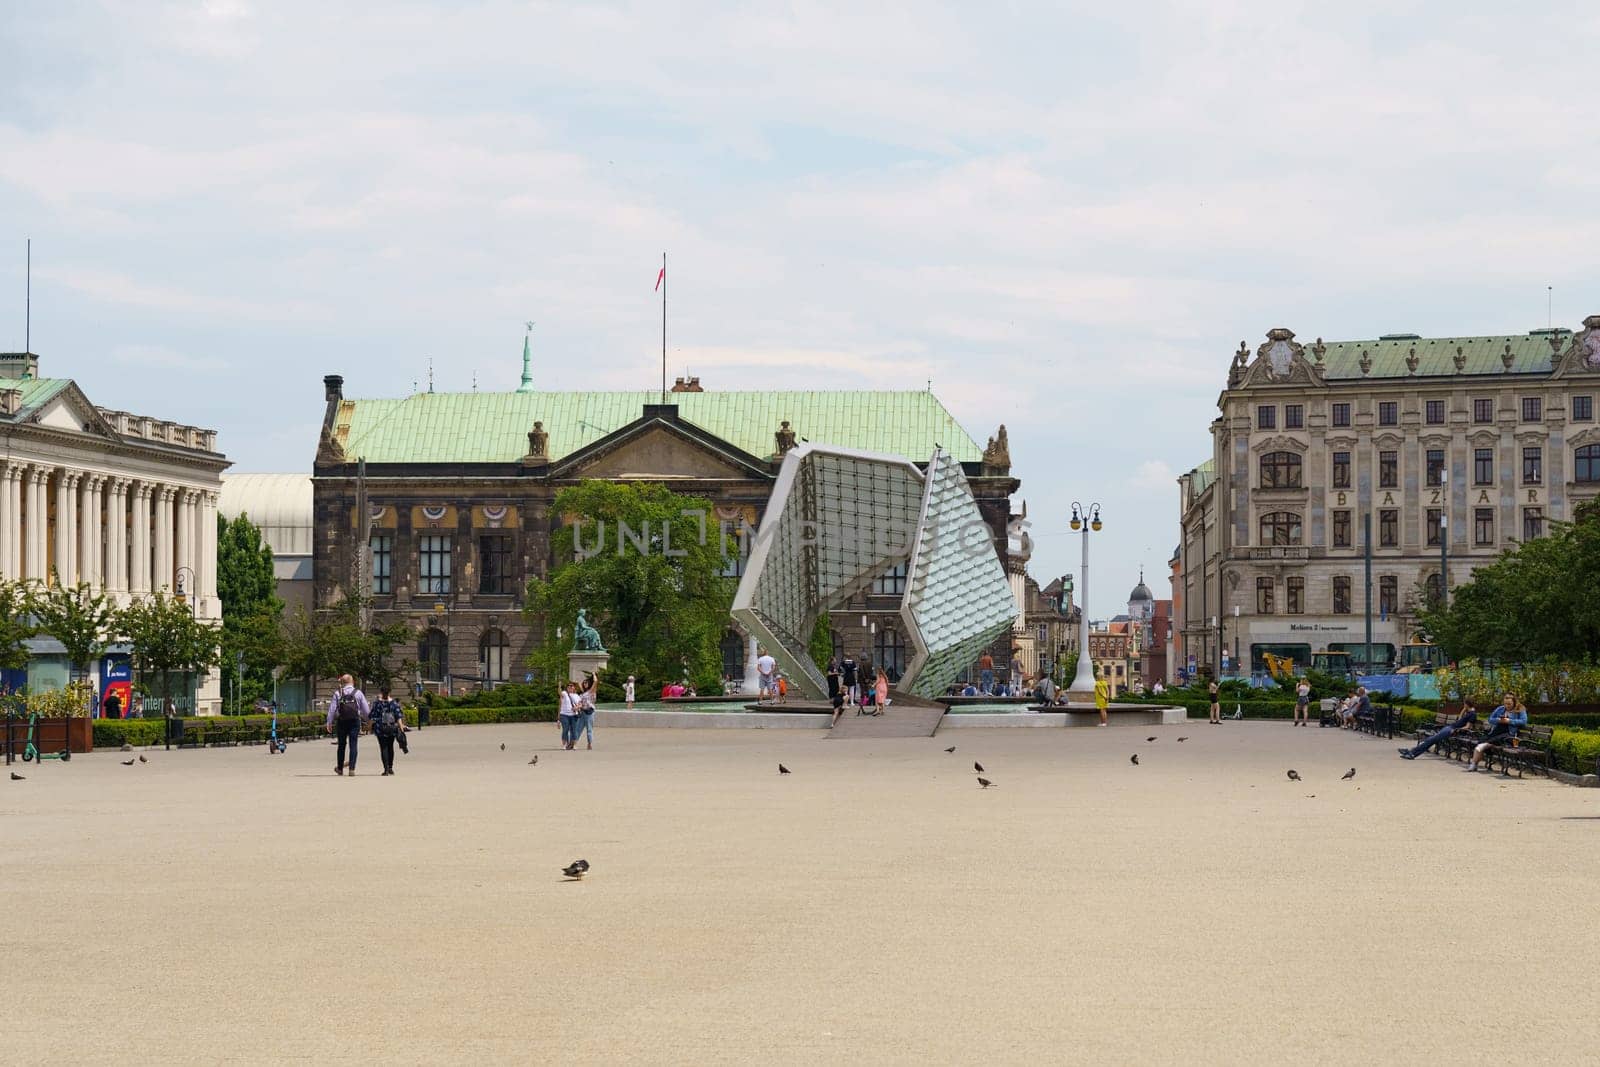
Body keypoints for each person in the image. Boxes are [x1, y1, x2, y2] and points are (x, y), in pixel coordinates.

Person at [1466, 693, 1528, 772]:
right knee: (1480, 743)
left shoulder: (1520, 709)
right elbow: (1490, 719)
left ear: (1514, 702)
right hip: (1497, 731)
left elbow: (1523, 721)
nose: (1507, 706)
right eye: (1505, 704)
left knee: (1483, 745)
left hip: (1509, 734)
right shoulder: (1500, 709)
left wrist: (1510, 721)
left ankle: (1473, 764)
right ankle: (1474, 764)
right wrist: (1498, 720)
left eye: (1509, 704)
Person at [325, 674, 370, 776]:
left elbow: (332, 709)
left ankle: (340, 768)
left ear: (342, 682)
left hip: (342, 721)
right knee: (353, 744)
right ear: (352, 681)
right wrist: (369, 721)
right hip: (354, 721)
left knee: (341, 745)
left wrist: (329, 722)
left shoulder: (338, 693)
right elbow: (366, 710)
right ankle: (352, 769)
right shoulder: (358, 693)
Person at [1399, 701, 1476, 760]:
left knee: (1431, 740)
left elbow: (1467, 727)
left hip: (1452, 730)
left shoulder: (1472, 714)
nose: (1463, 705)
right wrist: (1463, 710)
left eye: (1464, 704)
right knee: (1430, 739)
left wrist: (1456, 730)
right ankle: (1411, 752)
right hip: (1449, 727)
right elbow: (1460, 719)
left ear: (1467, 704)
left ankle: (1412, 753)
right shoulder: (1468, 712)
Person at [369, 686, 406, 776]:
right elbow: (398, 717)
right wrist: (401, 729)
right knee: (390, 747)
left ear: (381, 692)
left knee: (383, 748)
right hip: (392, 728)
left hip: (380, 728)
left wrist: (369, 726)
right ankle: (390, 767)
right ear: (390, 692)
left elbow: (372, 716)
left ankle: (385, 769)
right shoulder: (394, 704)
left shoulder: (377, 703)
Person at [558, 681, 583, 750]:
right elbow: (560, 693)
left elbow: (580, 704)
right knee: (565, 730)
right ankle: (564, 744)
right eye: (568, 686)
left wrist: (577, 707)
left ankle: (574, 745)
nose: (570, 687)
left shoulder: (577, 696)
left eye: (571, 686)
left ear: (574, 688)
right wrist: (559, 686)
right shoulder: (565, 693)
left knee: (574, 730)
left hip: (573, 715)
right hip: (564, 715)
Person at [576, 673, 597, 750]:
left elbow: (595, 682)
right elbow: (579, 684)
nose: (585, 684)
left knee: (589, 729)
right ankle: (574, 743)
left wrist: (594, 674)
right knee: (578, 728)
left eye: (586, 682)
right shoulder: (582, 694)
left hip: (589, 712)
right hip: (582, 712)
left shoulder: (591, 691)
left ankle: (589, 743)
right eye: (584, 683)